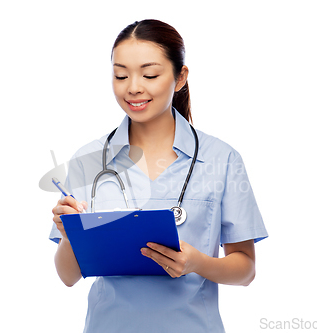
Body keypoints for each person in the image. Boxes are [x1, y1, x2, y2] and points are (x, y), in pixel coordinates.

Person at [50, 19, 268, 333]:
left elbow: (246, 270)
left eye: (149, 74)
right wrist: (71, 235)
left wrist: (198, 263)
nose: (133, 87)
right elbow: (68, 277)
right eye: (120, 75)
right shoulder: (89, 161)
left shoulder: (222, 159)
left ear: (180, 78)